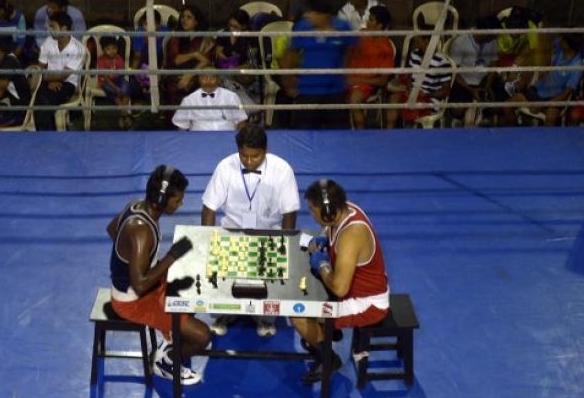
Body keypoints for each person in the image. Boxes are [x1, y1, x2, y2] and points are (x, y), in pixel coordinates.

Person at [107, 165, 211, 384]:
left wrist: (133, 257)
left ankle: (170, 333)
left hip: (141, 287)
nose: (181, 203)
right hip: (132, 302)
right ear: (161, 201)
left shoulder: (135, 206)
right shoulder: (142, 231)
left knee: (193, 287)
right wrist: (171, 256)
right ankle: (167, 361)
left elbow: (112, 229)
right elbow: (141, 286)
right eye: (177, 200)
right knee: (202, 337)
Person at [201, 125, 299, 337]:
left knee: (267, 286)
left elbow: (289, 211)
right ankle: (222, 314)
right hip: (232, 232)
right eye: (244, 156)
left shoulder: (282, 170)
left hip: (268, 234)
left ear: (265, 149)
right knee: (223, 282)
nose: (249, 161)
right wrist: (206, 241)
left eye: (255, 156)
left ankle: (264, 318)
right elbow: (209, 206)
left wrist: (286, 245)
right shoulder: (225, 167)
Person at [293, 179, 389, 383]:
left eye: (312, 210)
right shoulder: (346, 209)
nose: (311, 214)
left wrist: (321, 265)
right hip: (357, 292)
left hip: (366, 304)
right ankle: (325, 331)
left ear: (328, 211)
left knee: (297, 313)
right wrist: (323, 238)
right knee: (306, 298)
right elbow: (329, 230)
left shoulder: (352, 234)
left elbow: (339, 288)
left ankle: (329, 358)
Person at [285, 0, 357, 129]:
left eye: (311, 12)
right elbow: (289, 54)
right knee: (302, 137)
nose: (307, 15)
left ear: (324, 15)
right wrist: (288, 82)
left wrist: (344, 74)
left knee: (338, 136)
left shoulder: (343, 27)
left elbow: (350, 50)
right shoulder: (302, 27)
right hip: (308, 91)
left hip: (335, 92)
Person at [507, 34, 583, 127]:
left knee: (551, 118)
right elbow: (549, 41)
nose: (560, 41)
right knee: (507, 106)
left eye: (562, 40)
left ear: (567, 45)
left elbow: (566, 93)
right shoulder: (560, 50)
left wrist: (542, 105)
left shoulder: (577, 65)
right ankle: (513, 134)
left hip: (554, 98)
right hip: (538, 90)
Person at [386, 22, 452, 128]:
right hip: (413, 93)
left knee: (412, 107)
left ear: (427, 41)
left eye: (419, 38)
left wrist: (426, 95)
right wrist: (410, 88)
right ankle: (388, 135)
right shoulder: (415, 54)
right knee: (394, 100)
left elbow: (446, 90)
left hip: (429, 97)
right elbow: (410, 77)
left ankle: (410, 134)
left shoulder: (442, 62)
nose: (416, 40)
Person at [35, 11, 85, 131]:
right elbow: (40, 67)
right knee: (39, 99)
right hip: (49, 81)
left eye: (53, 26)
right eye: (49, 26)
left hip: (68, 85)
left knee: (42, 100)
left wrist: (44, 78)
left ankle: (45, 136)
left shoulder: (78, 49)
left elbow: (63, 76)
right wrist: (48, 80)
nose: (49, 29)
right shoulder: (48, 42)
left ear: (64, 28)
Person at [346, 5, 394, 129]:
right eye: (368, 18)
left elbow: (382, 80)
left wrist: (357, 80)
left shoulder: (386, 48)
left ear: (380, 26)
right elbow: (346, 55)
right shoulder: (360, 35)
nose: (367, 22)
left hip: (365, 84)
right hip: (347, 78)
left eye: (371, 20)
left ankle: (360, 135)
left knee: (354, 100)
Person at [448, 16, 500, 127]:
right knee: (457, 110)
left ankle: (484, 116)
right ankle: (460, 119)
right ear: (485, 33)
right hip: (464, 81)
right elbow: (454, 72)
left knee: (502, 101)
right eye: (493, 35)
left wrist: (487, 86)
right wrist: (471, 90)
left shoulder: (492, 42)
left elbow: (493, 65)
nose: (495, 38)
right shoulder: (460, 42)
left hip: (484, 80)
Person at [162, 4, 214, 107]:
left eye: (189, 17)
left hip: (198, 74)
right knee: (174, 88)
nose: (184, 20)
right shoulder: (175, 38)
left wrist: (189, 76)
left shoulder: (207, 40)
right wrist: (194, 55)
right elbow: (175, 60)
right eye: (182, 17)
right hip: (175, 73)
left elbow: (207, 62)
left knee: (204, 86)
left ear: (196, 21)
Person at [172, 71, 248, 131]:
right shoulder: (189, 100)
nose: (208, 81)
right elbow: (181, 125)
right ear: (199, 79)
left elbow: (241, 121)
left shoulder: (231, 96)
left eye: (212, 78)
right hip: (199, 138)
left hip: (227, 136)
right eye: (204, 77)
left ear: (218, 80)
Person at [97, 36, 136, 129]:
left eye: (114, 48)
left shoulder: (119, 59)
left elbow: (121, 75)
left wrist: (120, 87)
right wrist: (116, 88)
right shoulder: (101, 60)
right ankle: (125, 115)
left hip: (118, 79)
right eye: (108, 49)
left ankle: (122, 115)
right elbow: (105, 78)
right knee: (114, 92)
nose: (112, 51)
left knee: (127, 88)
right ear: (103, 50)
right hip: (105, 81)